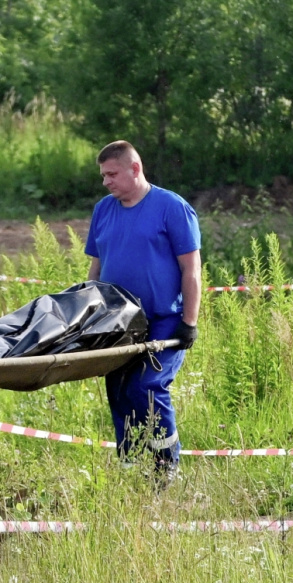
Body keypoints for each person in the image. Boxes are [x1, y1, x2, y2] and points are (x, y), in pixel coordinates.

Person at [84, 140, 201, 486]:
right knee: (119, 389)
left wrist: (189, 323)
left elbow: (191, 270)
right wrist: (86, 312)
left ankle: (167, 466)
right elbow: (96, 267)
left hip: (164, 319)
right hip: (115, 321)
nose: (106, 181)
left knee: (148, 386)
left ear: (135, 169)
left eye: (112, 174)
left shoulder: (171, 208)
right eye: (103, 175)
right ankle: (130, 466)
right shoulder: (103, 210)